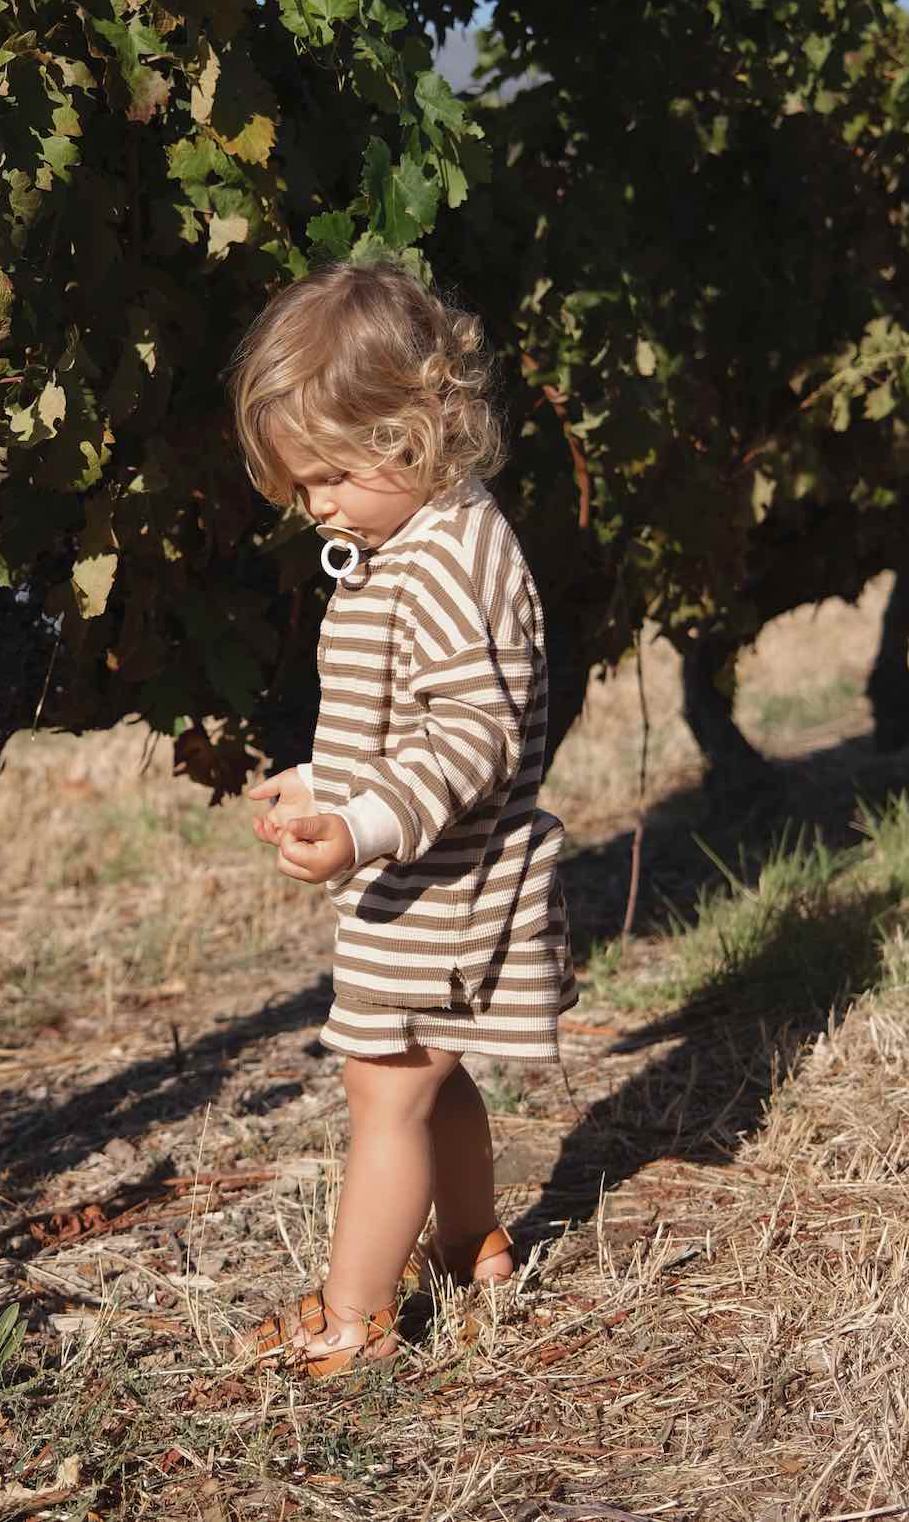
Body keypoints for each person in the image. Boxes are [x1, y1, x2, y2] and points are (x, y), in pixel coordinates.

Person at [226, 259, 576, 1377]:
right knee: (433, 1068)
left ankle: (354, 1313)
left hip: (445, 878)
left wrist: (365, 822)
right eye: (300, 486)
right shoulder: (428, 539)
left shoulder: (442, 563)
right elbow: (407, 720)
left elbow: (473, 736)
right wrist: (326, 783)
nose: (316, 505)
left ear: (417, 430)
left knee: (384, 1085)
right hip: (433, 869)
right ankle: (472, 1241)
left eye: (329, 475)